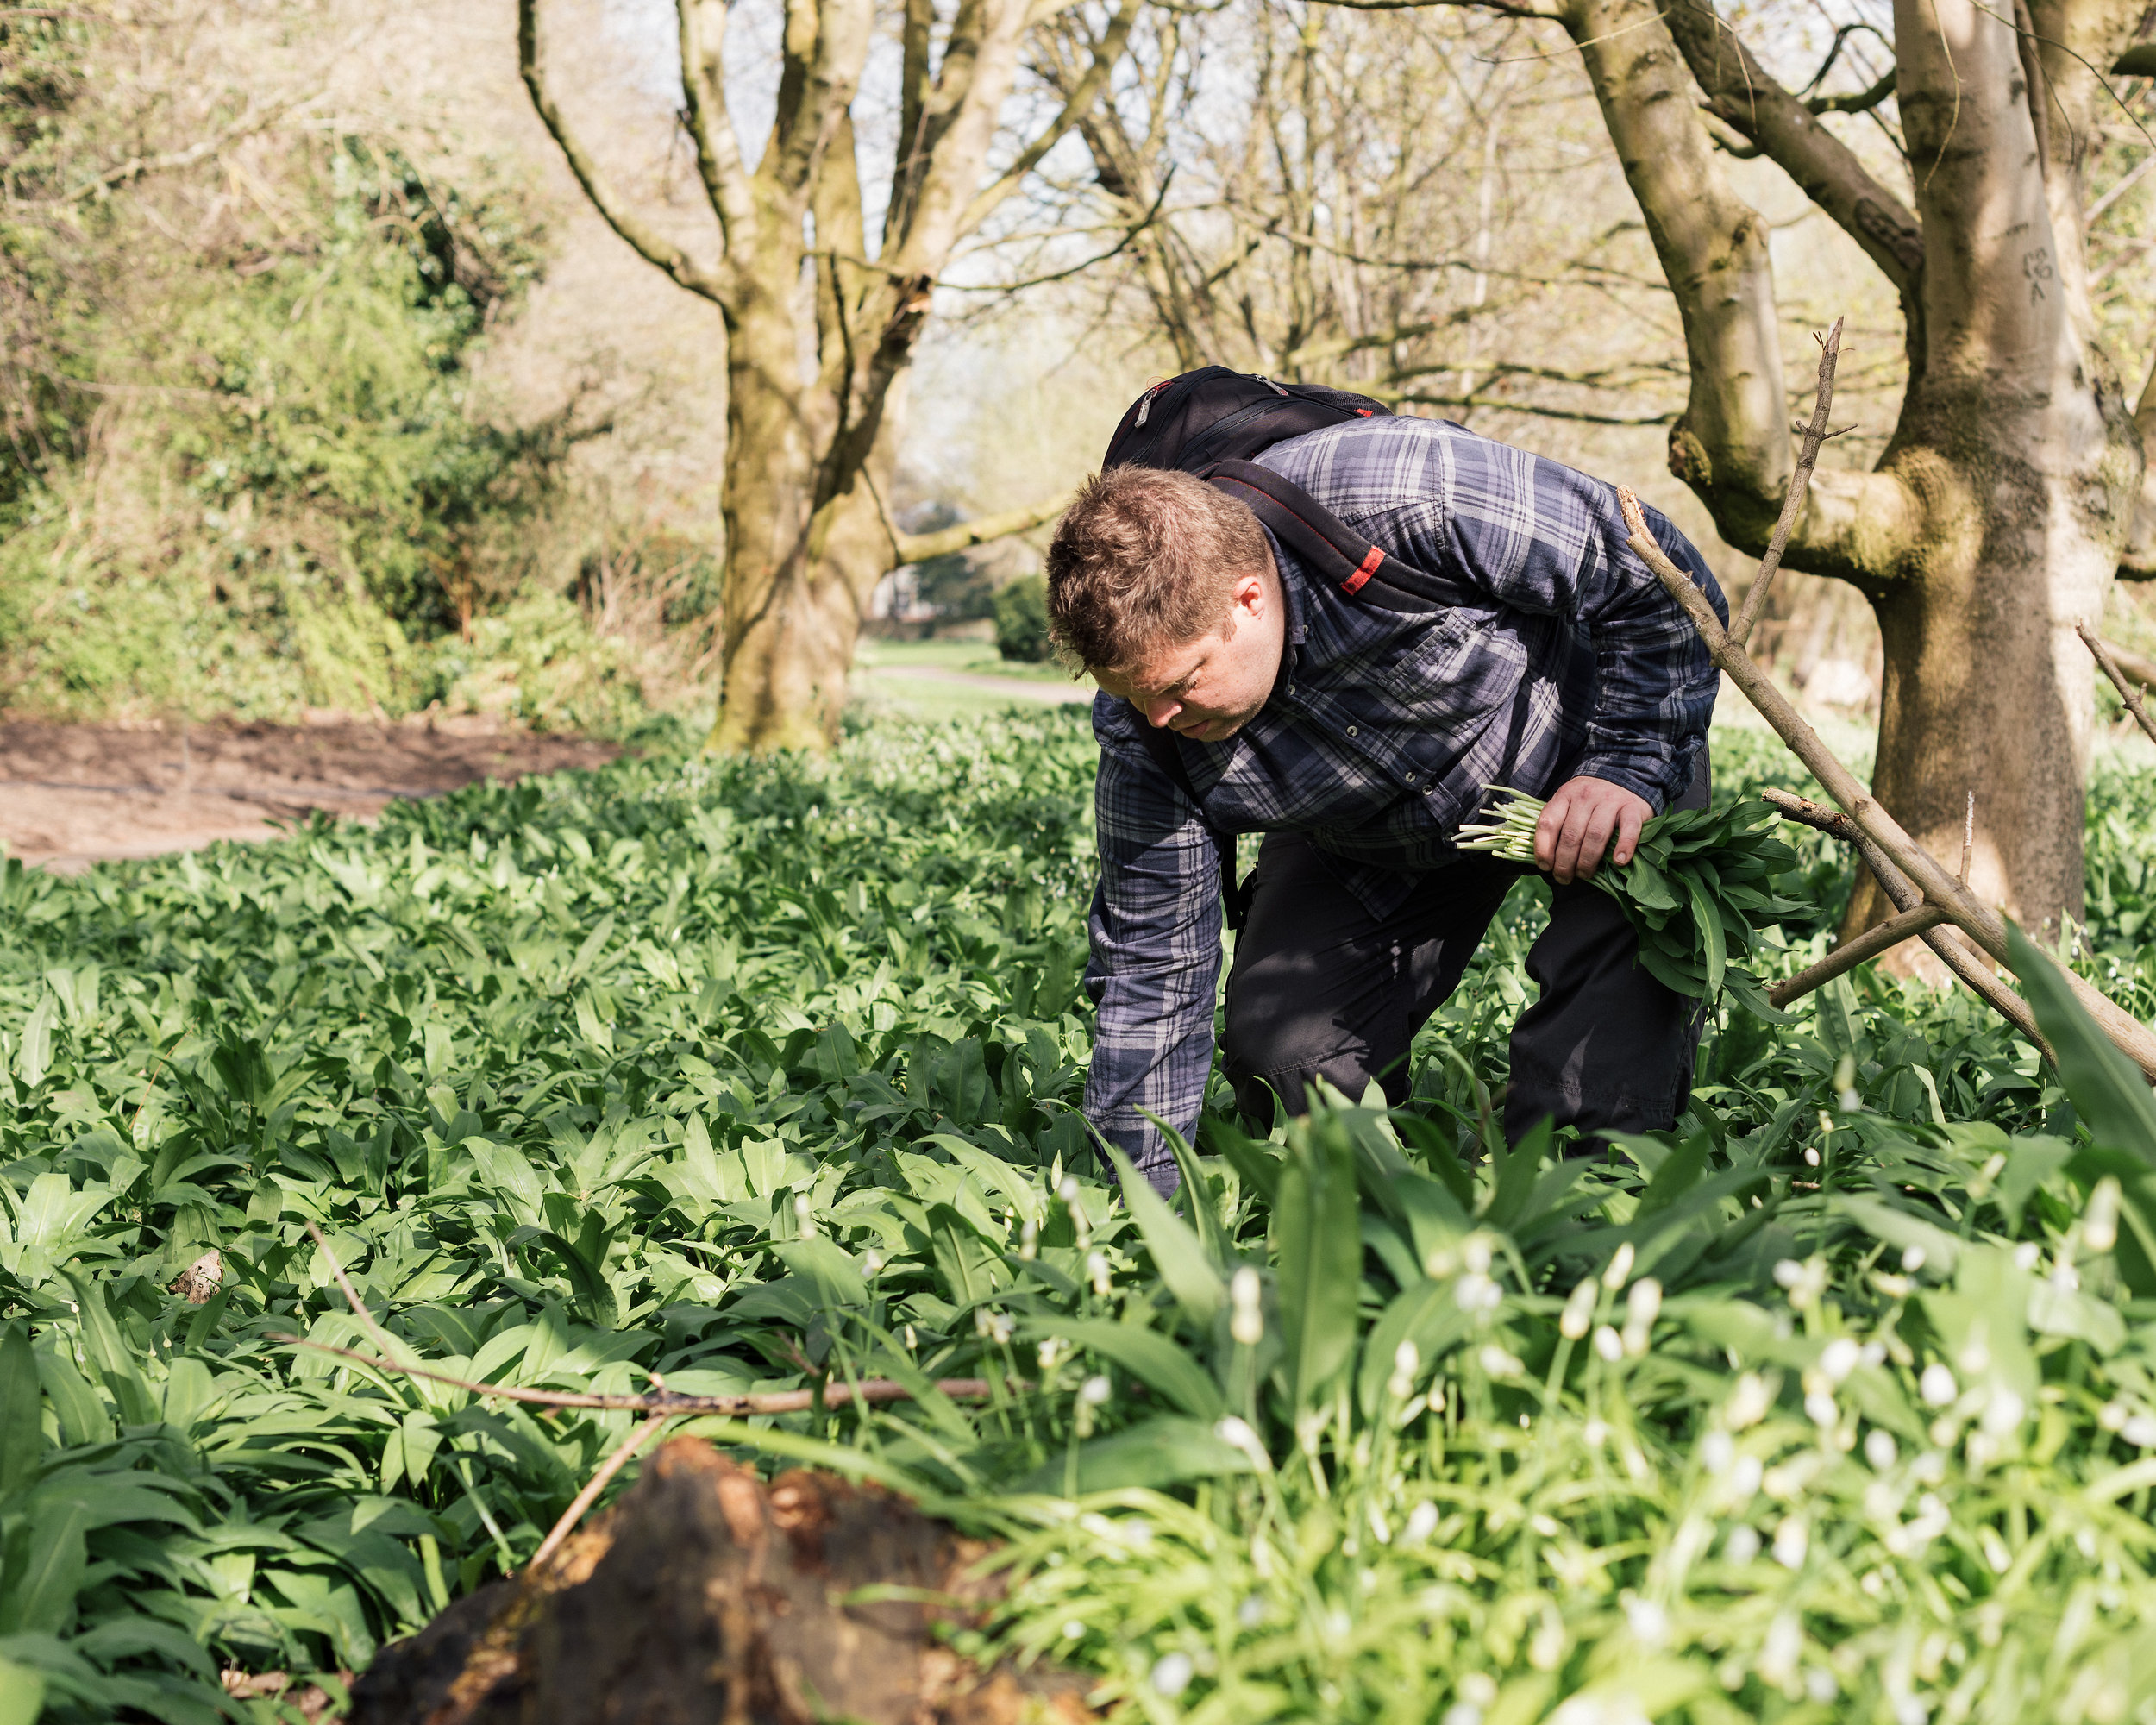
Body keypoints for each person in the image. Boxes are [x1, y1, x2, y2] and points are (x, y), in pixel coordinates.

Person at [1044, 410, 1727, 1195]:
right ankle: (1384, 1208)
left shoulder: (1405, 489)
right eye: (1133, 696)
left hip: (1579, 752)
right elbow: (1152, 972)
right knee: (1287, 1065)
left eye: (1179, 683)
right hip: (1367, 831)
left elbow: (1658, 577)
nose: (1161, 717)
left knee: (1596, 1087)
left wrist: (1627, 763)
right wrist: (1140, 1208)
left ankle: (1580, 1213)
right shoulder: (1147, 732)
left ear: (1247, 601)